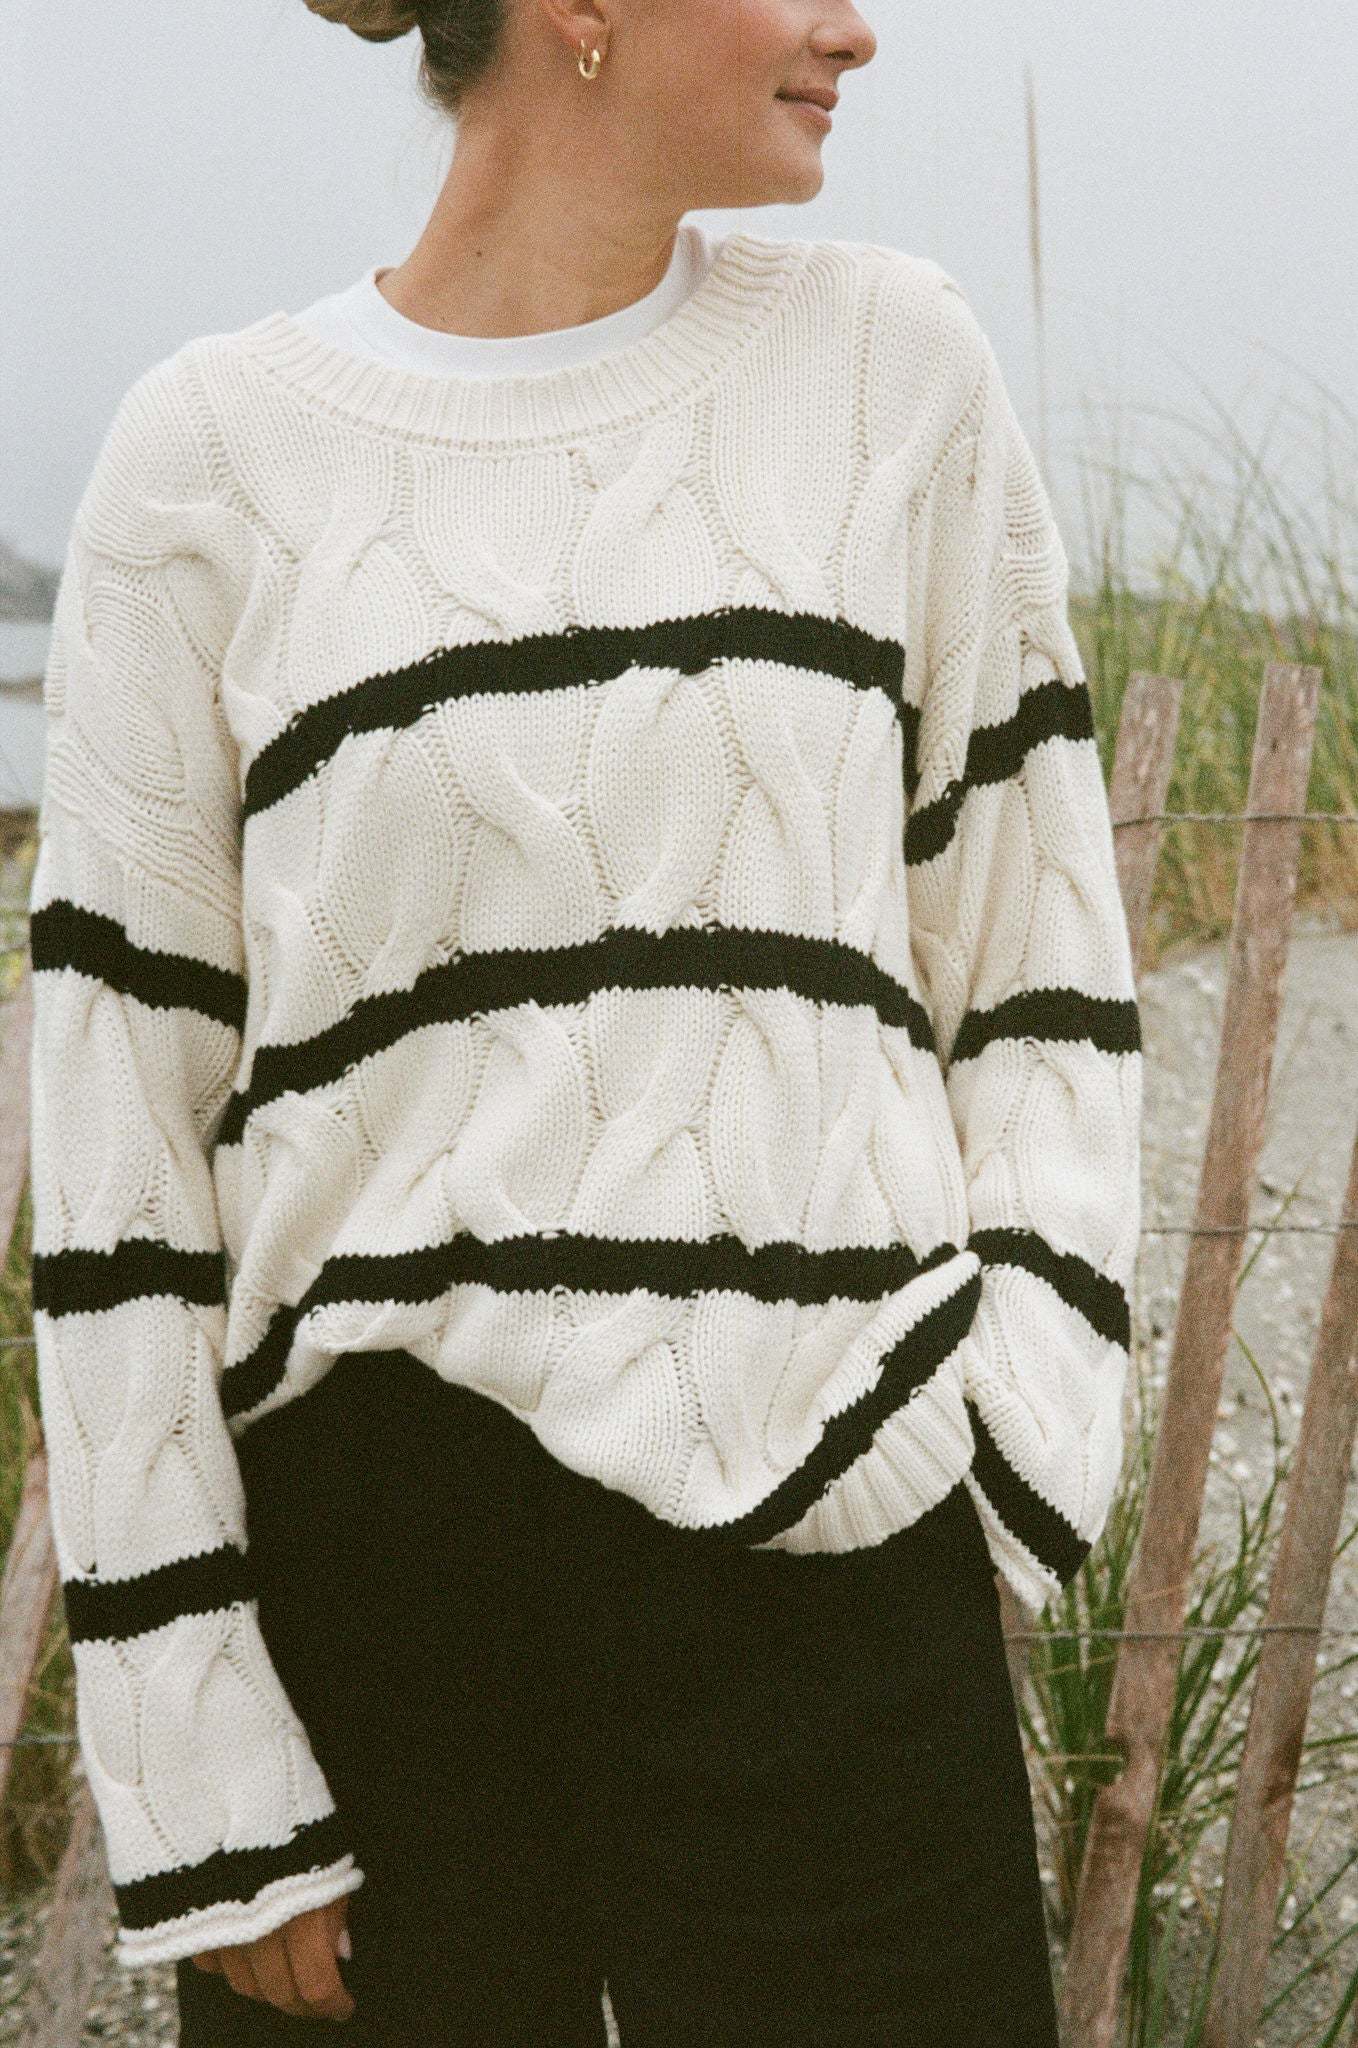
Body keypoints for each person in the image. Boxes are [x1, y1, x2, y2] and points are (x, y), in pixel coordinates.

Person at [25, 0, 1144, 2040]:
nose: (854, 27)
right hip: (381, 1608)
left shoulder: (893, 368)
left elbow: (1037, 960)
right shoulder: (208, 460)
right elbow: (119, 1139)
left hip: (833, 1548)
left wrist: (1012, 1431)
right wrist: (201, 1749)